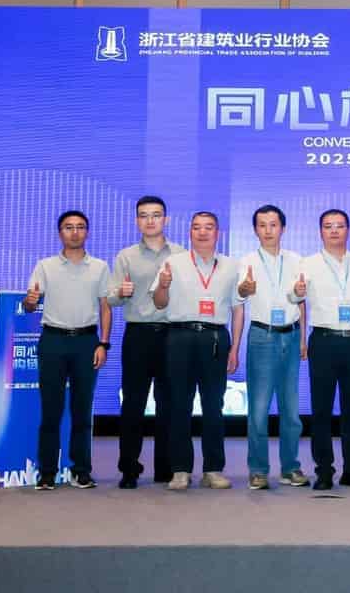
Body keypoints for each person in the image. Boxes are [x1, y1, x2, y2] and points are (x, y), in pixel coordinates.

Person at [150, 211, 244, 491]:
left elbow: (238, 309)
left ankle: (213, 469)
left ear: (218, 233)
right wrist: (163, 285)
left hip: (215, 337)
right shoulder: (173, 262)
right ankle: (180, 469)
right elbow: (159, 303)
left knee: (214, 405)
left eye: (208, 227)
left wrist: (235, 348)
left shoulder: (231, 266)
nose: (202, 232)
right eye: (196, 228)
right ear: (190, 232)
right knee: (179, 404)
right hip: (180, 336)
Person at [25, 210, 112, 490]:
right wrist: (30, 301)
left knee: (82, 410)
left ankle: (81, 471)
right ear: (59, 232)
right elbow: (30, 306)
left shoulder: (100, 267)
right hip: (53, 341)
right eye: (68, 227)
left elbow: (105, 307)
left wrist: (103, 343)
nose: (75, 232)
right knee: (51, 411)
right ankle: (46, 473)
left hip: (86, 341)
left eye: (80, 227)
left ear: (87, 232)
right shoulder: (45, 266)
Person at [298, 208, 350, 490]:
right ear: (320, 231)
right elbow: (295, 297)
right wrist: (295, 293)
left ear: (348, 230)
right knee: (321, 410)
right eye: (328, 226)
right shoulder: (308, 264)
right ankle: (323, 470)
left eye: (339, 225)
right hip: (323, 340)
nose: (334, 230)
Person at [108, 196, 183, 489]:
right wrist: (121, 292)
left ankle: (166, 468)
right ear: (137, 220)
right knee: (133, 404)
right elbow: (111, 298)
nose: (150, 220)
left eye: (156, 215)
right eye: (144, 215)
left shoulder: (180, 254)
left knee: (169, 404)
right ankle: (129, 468)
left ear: (166, 219)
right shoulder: (125, 256)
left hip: (172, 335)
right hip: (138, 335)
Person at [236, 205, 308, 490]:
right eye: (262, 225)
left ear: (283, 228)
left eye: (273, 224)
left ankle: (290, 468)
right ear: (255, 230)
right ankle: (258, 470)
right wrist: (245, 289)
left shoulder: (296, 260)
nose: (268, 230)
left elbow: (299, 300)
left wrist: (303, 338)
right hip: (262, 337)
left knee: (291, 409)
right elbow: (240, 294)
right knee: (259, 408)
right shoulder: (247, 261)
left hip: (291, 335)